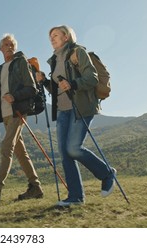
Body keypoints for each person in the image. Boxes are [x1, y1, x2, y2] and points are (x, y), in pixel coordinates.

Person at [36, 25, 116, 206]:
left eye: (55, 35)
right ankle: (75, 197)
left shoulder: (77, 52)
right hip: (63, 111)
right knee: (65, 154)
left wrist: (73, 83)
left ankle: (106, 173)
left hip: (81, 107)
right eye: (50, 37)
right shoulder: (54, 60)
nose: (52, 38)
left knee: (73, 148)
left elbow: (92, 77)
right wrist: (45, 81)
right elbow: (58, 89)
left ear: (66, 37)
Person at [0, 33, 44, 202]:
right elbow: (1, 96)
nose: (9, 47)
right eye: (6, 44)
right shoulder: (1, 69)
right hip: (5, 115)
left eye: (12, 44)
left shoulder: (20, 63)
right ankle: (35, 187)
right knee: (21, 152)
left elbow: (32, 88)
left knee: (6, 147)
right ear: (0, 49)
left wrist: (15, 96)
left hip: (18, 112)